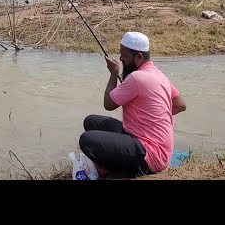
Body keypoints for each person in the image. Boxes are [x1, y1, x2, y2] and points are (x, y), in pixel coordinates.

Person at [79, 31, 187, 178]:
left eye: (125, 57)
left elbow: (109, 104)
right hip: (150, 143)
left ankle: (119, 169)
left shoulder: (136, 78)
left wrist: (113, 73)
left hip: (152, 154)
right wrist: (153, 115)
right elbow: (181, 104)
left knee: (87, 140)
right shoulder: (158, 74)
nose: (121, 59)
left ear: (139, 57)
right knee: (91, 121)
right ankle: (120, 163)